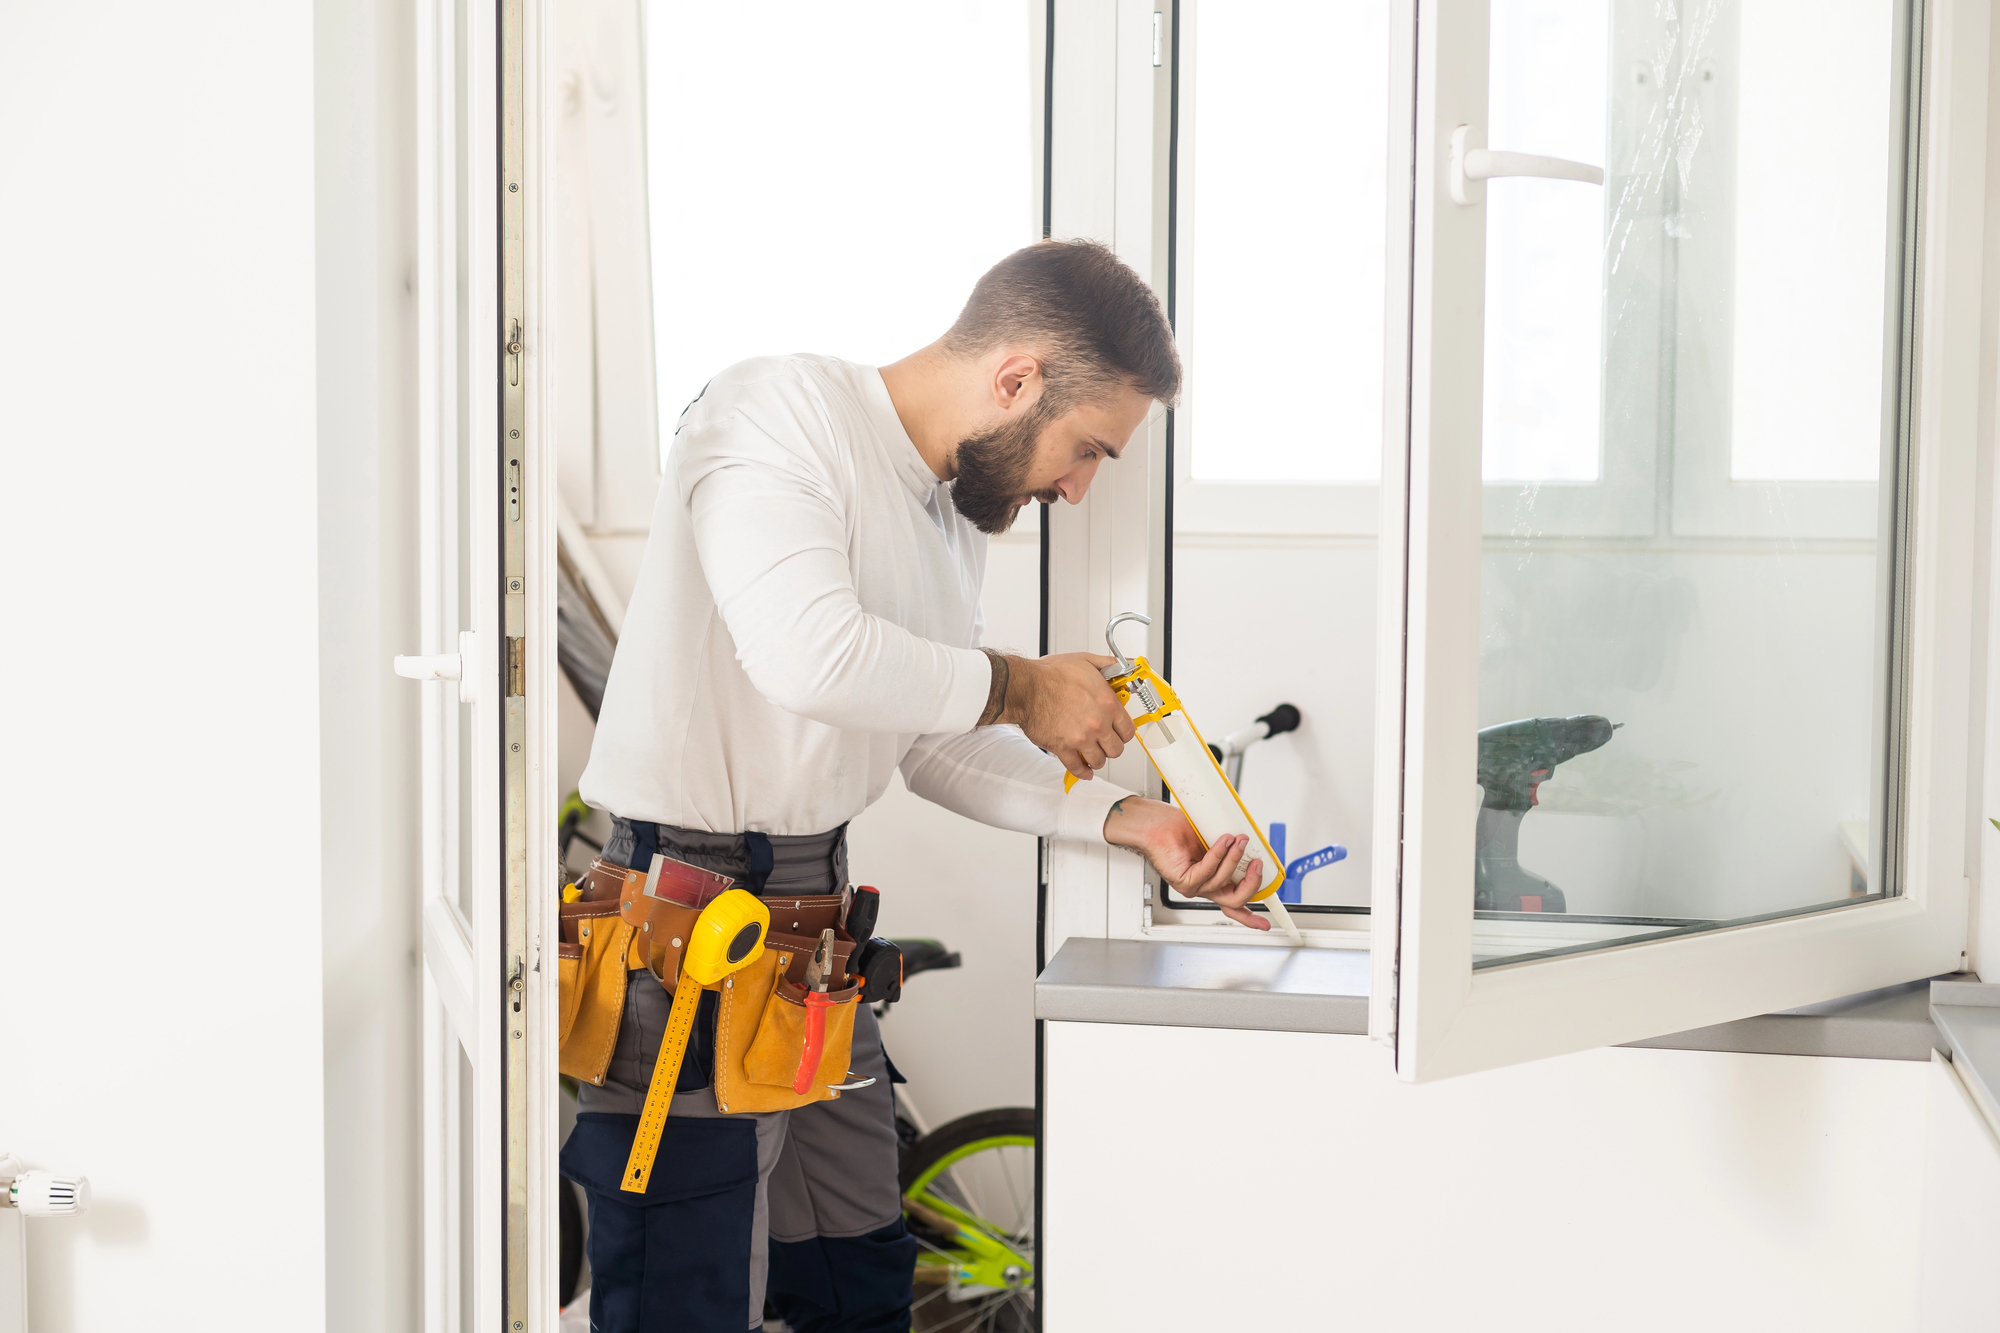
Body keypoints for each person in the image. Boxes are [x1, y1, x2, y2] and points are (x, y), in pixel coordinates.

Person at [562, 239, 1269, 1333]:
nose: (1076, 488)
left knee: (859, 1282)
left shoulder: (947, 519)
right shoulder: (775, 414)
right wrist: (1023, 686)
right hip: (688, 923)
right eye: (1087, 449)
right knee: (686, 1299)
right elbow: (810, 656)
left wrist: (1130, 820)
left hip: (816, 938)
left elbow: (929, 739)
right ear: (1017, 377)